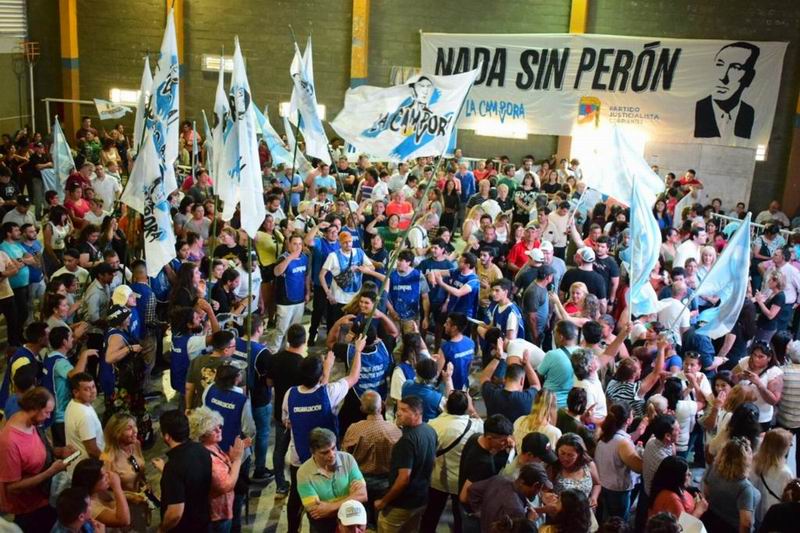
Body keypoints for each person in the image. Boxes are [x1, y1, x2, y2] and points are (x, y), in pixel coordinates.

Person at [284, 338, 365, 533]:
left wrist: (324, 371)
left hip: (299, 457)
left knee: (295, 497)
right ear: (320, 376)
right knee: (332, 490)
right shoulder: (329, 392)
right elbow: (354, 377)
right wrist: (358, 351)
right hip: (327, 458)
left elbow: (286, 420)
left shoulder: (290, 394)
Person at [0, 387, 70, 531]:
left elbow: (42, 448)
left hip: (44, 499)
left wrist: (60, 451)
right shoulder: (9, 442)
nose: (48, 416)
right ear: (34, 408)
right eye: (46, 412)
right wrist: (50, 472)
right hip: (28, 510)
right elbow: (12, 487)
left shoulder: (33, 423)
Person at [421, 391, 483, 533]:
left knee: (431, 514)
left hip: (437, 478)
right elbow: (484, 427)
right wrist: (472, 410)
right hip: (460, 482)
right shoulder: (475, 426)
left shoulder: (433, 424)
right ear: (467, 407)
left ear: (446, 405)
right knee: (459, 517)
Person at [375, 395, 437, 533]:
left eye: (404, 410)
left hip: (401, 504)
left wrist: (384, 501)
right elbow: (433, 461)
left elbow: (403, 479)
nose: (398, 413)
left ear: (416, 414)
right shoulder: (430, 430)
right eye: (398, 409)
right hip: (421, 499)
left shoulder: (406, 441)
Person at [342, 391, 402, 526]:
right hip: (386, 482)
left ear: (362, 408)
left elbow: (345, 456)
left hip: (360, 480)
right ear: (382, 405)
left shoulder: (354, 429)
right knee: (382, 518)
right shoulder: (395, 430)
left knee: (362, 518)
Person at [187, 406, 249, 533]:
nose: (219, 430)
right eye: (213, 429)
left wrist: (231, 457)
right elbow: (227, 485)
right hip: (218, 515)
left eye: (219, 426)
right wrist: (237, 459)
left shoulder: (211, 445)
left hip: (223, 509)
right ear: (202, 434)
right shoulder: (207, 456)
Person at [296, 428, 368, 533]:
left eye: (333, 448)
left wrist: (330, 508)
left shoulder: (348, 459)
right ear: (313, 452)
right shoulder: (303, 472)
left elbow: (363, 495)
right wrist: (351, 498)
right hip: (323, 525)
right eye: (324, 452)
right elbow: (315, 511)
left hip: (349, 523)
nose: (332, 454)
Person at [154, 409, 212, 532]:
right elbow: (190, 479)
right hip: (204, 523)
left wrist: (162, 529)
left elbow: (175, 514)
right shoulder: (202, 450)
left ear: (167, 436)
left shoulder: (173, 467)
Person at [266, 323, 306, 496]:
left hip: (280, 412)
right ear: (304, 341)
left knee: (279, 450)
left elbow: (269, 383)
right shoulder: (304, 364)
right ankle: (302, 485)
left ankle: (280, 485)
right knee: (302, 449)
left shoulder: (275, 359)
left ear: (288, 339)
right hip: (300, 414)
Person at [43, 327, 97, 447]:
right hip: (61, 416)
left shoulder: (50, 356)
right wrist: (84, 355)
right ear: (64, 342)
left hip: (55, 413)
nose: (73, 339)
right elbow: (76, 376)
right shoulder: (59, 362)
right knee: (69, 449)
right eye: (71, 337)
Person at [694, 42, 760, 140]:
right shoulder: (698, 108)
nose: (723, 77)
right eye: (719, 64)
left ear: (749, 77)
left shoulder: (748, 113)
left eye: (736, 67)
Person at [99, 413, 152, 532]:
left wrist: (145, 484)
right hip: (124, 508)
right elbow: (104, 493)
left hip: (141, 502)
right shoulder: (106, 457)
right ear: (116, 433)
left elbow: (139, 468)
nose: (135, 431)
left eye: (135, 426)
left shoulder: (136, 444)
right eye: (129, 428)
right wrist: (130, 497)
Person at [468, 463, 552, 533]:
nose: (539, 493)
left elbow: (472, 489)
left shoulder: (499, 479)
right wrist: (530, 522)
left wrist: (482, 512)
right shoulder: (517, 511)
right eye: (540, 488)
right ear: (535, 485)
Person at [595, 403, 642, 522]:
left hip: (603, 485)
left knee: (605, 520)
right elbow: (638, 467)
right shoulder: (622, 443)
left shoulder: (605, 435)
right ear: (628, 420)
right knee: (618, 523)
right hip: (617, 491)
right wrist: (640, 453)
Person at [702, 437, 760, 533]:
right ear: (744, 460)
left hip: (712, 520)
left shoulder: (713, 468)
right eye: (750, 453)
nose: (752, 455)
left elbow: (706, 493)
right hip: (732, 527)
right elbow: (745, 523)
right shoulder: (745, 488)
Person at [69, 458, 131, 530]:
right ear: (91, 483)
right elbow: (124, 520)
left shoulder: (97, 490)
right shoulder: (89, 507)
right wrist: (117, 487)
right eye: (103, 476)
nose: (108, 476)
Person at [734, 341, 784, 429]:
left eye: (761, 356)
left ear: (769, 358)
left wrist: (758, 383)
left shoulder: (775, 372)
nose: (756, 359)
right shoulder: (746, 361)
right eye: (754, 355)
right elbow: (729, 379)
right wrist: (739, 377)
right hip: (740, 412)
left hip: (760, 417)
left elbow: (773, 401)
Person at [750, 428, 793, 523]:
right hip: (773, 515)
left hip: (755, 510)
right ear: (781, 449)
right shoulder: (785, 472)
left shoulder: (754, 460)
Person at [648, 456, 708, 520]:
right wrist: (699, 510)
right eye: (687, 474)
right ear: (677, 479)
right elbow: (683, 525)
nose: (690, 474)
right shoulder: (672, 499)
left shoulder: (669, 486)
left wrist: (695, 503)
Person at [65, 373, 104, 467]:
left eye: (93, 386)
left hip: (79, 465)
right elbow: (92, 451)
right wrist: (109, 460)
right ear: (76, 392)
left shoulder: (73, 403)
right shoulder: (85, 415)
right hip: (88, 468)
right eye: (87, 389)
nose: (93, 391)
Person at [539, 321, 580, 407]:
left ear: (561, 337)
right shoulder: (582, 353)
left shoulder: (552, 355)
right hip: (570, 405)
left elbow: (539, 376)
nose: (554, 336)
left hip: (550, 404)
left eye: (554, 333)